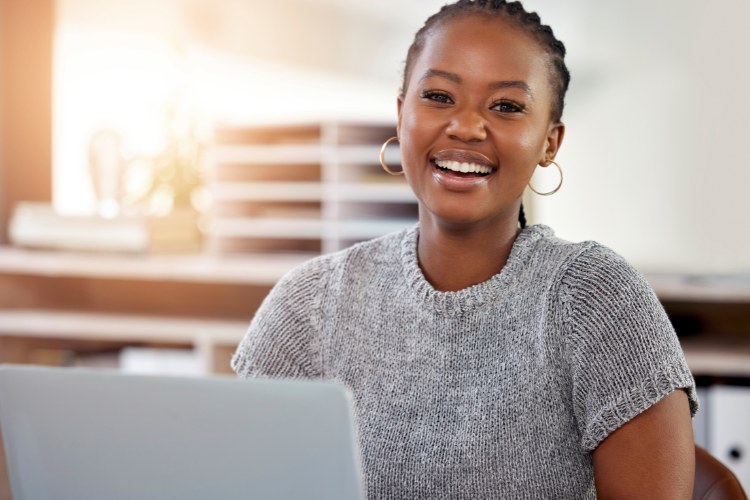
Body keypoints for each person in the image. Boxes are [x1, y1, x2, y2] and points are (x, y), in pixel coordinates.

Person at [231, 1, 699, 498]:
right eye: (438, 96)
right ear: (401, 113)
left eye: (507, 106)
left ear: (549, 143)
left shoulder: (596, 300)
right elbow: (227, 477)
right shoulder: (310, 302)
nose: (467, 127)